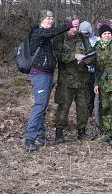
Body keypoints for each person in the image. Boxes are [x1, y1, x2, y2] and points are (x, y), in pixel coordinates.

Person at [25, 10, 79, 152]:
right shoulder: (38, 32)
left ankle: (40, 136)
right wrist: (68, 25)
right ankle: (30, 139)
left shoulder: (47, 35)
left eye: (51, 18)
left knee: (42, 107)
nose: (50, 20)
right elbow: (52, 32)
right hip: (40, 74)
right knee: (39, 106)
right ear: (41, 20)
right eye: (47, 18)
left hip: (48, 75)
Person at [53, 15, 95, 144]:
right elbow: (58, 56)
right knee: (63, 106)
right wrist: (73, 56)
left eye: (77, 26)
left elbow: (91, 51)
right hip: (66, 79)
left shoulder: (83, 37)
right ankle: (59, 132)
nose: (75, 29)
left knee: (83, 106)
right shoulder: (59, 37)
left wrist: (89, 60)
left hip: (83, 78)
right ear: (67, 25)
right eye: (72, 26)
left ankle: (82, 131)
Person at [78, 21, 100, 124]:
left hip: (95, 71)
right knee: (86, 93)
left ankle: (94, 113)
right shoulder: (79, 40)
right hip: (84, 71)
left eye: (86, 33)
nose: (84, 35)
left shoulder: (96, 40)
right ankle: (87, 112)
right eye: (82, 33)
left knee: (93, 93)